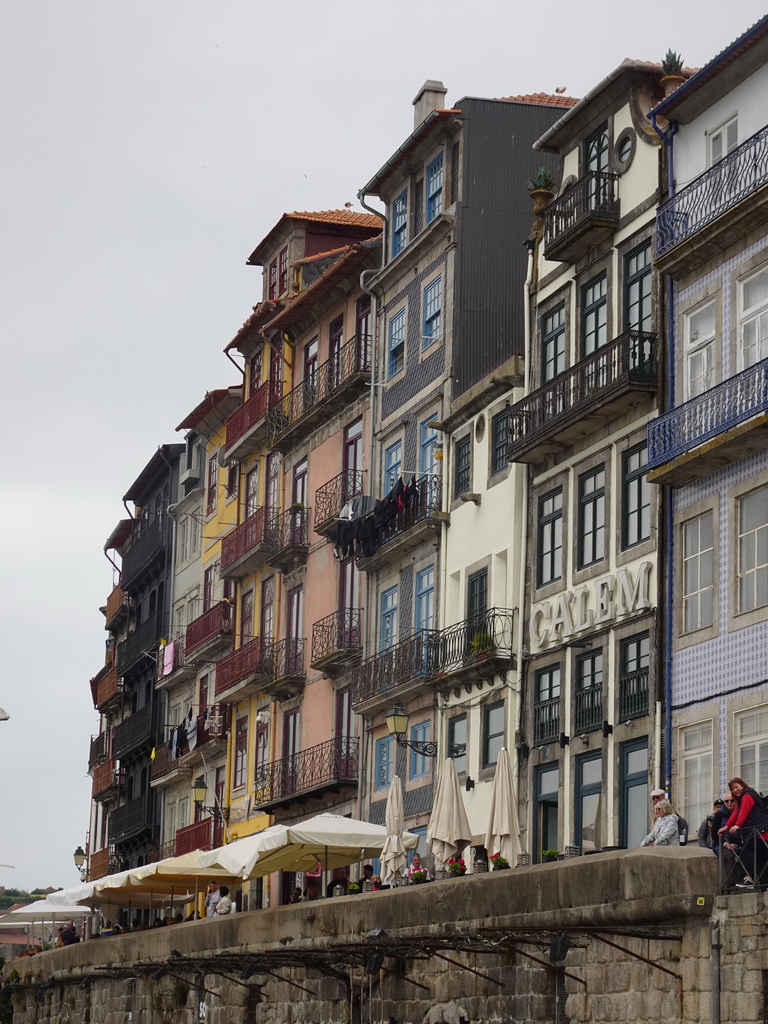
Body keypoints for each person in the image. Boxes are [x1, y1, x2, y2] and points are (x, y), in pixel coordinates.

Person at [718, 776, 768, 888]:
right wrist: (726, 827)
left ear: (742, 785)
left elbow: (744, 812)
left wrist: (737, 825)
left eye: (737, 787)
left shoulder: (747, 795)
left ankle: (752, 878)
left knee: (746, 853)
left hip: (761, 831)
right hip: (758, 832)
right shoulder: (740, 800)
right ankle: (764, 885)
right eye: (733, 789)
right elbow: (736, 813)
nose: (735, 790)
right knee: (761, 859)